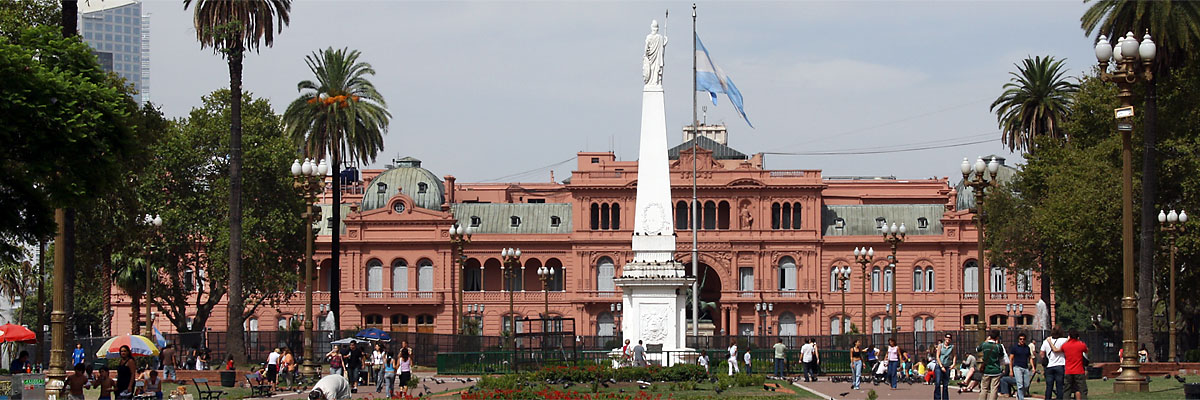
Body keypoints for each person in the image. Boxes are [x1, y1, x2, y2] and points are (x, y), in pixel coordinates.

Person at [976, 329, 1008, 400]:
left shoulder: (984, 345)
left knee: (984, 388)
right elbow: (1001, 356)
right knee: (994, 389)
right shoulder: (998, 346)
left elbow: (977, 349)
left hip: (986, 370)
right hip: (996, 369)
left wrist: (985, 341)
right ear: (997, 337)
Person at [1061, 329, 1088, 400]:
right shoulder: (1081, 345)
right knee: (1082, 389)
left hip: (1068, 370)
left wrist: (1067, 340)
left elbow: (1061, 348)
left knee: (1067, 390)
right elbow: (1086, 350)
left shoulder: (1065, 345)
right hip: (1079, 370)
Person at [1040, 327, 1067, 400]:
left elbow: (1042, 353)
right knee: (1060, 386)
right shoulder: (1064, 340)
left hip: (1050, 365)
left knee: (1049, 386)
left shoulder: (1046, 341)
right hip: (1060, 364)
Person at [1009, 333, 1033, 400]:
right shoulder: (1015, 348)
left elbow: (1030, 358)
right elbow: (1011, 359)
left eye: (1023, 339)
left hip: (1025, 367)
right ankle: (1021, 398)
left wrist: (1033, 366)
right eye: (1020, 339)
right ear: (1018, 340)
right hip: (1017, 367)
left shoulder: (1027, 348)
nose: (1022, 340)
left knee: (1026, 384)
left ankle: (1019, 395)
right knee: (1020, 384)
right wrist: (1011, 370)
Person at [935, 334, 956, 400]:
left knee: (945, 385)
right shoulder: (940, 346)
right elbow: (937, 356)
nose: (948, 339)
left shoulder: (952, 347)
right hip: (939, 366)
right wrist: (941, 366)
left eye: (949, 338)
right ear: (944, 338)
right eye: (947, 337)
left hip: (947, 366)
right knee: (938, 383)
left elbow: (954, 355)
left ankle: (945, 398)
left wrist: (953, 364)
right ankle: (937, 398)